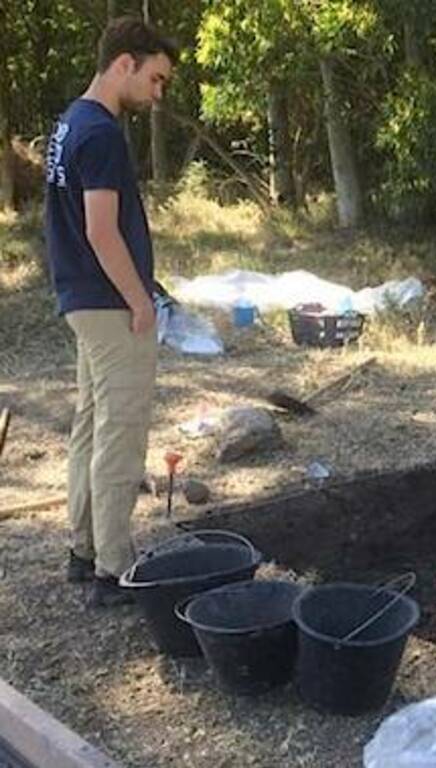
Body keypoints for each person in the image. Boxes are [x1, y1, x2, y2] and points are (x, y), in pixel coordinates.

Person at [44, 17, 177, 606]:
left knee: (91, 426)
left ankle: (84, 549)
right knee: (120, 435)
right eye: (155, 78)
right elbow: (102, 231)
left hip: (81, 299)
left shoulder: (69, 123)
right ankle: (113, 569)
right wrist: (140, 300)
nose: (157, 93)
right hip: (106, 302)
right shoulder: (99, 133)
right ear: (125, 62)